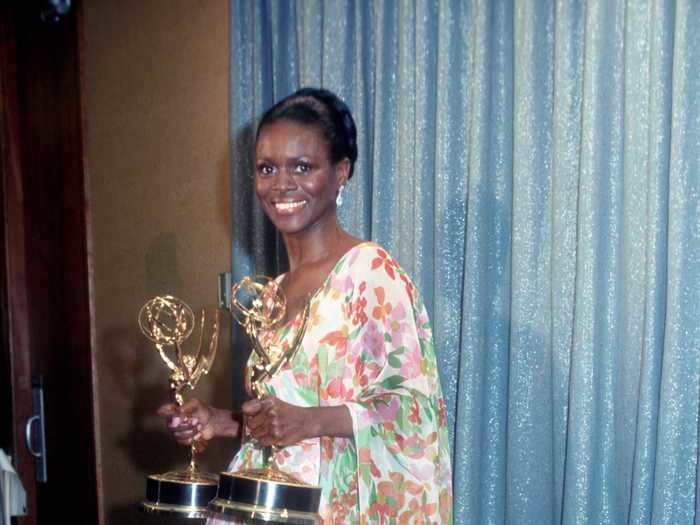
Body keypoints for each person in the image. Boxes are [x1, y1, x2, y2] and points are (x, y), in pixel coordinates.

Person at [158, 88, 453, 523]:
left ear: (341, 173)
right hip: (268, 508)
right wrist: (220, 421)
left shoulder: (369, 273)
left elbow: (413, 411)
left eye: (302, 166)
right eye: (267, 168)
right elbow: (286, 417)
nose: (281, 184)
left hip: (336, 510)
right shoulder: (272, 293)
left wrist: (308, 422)